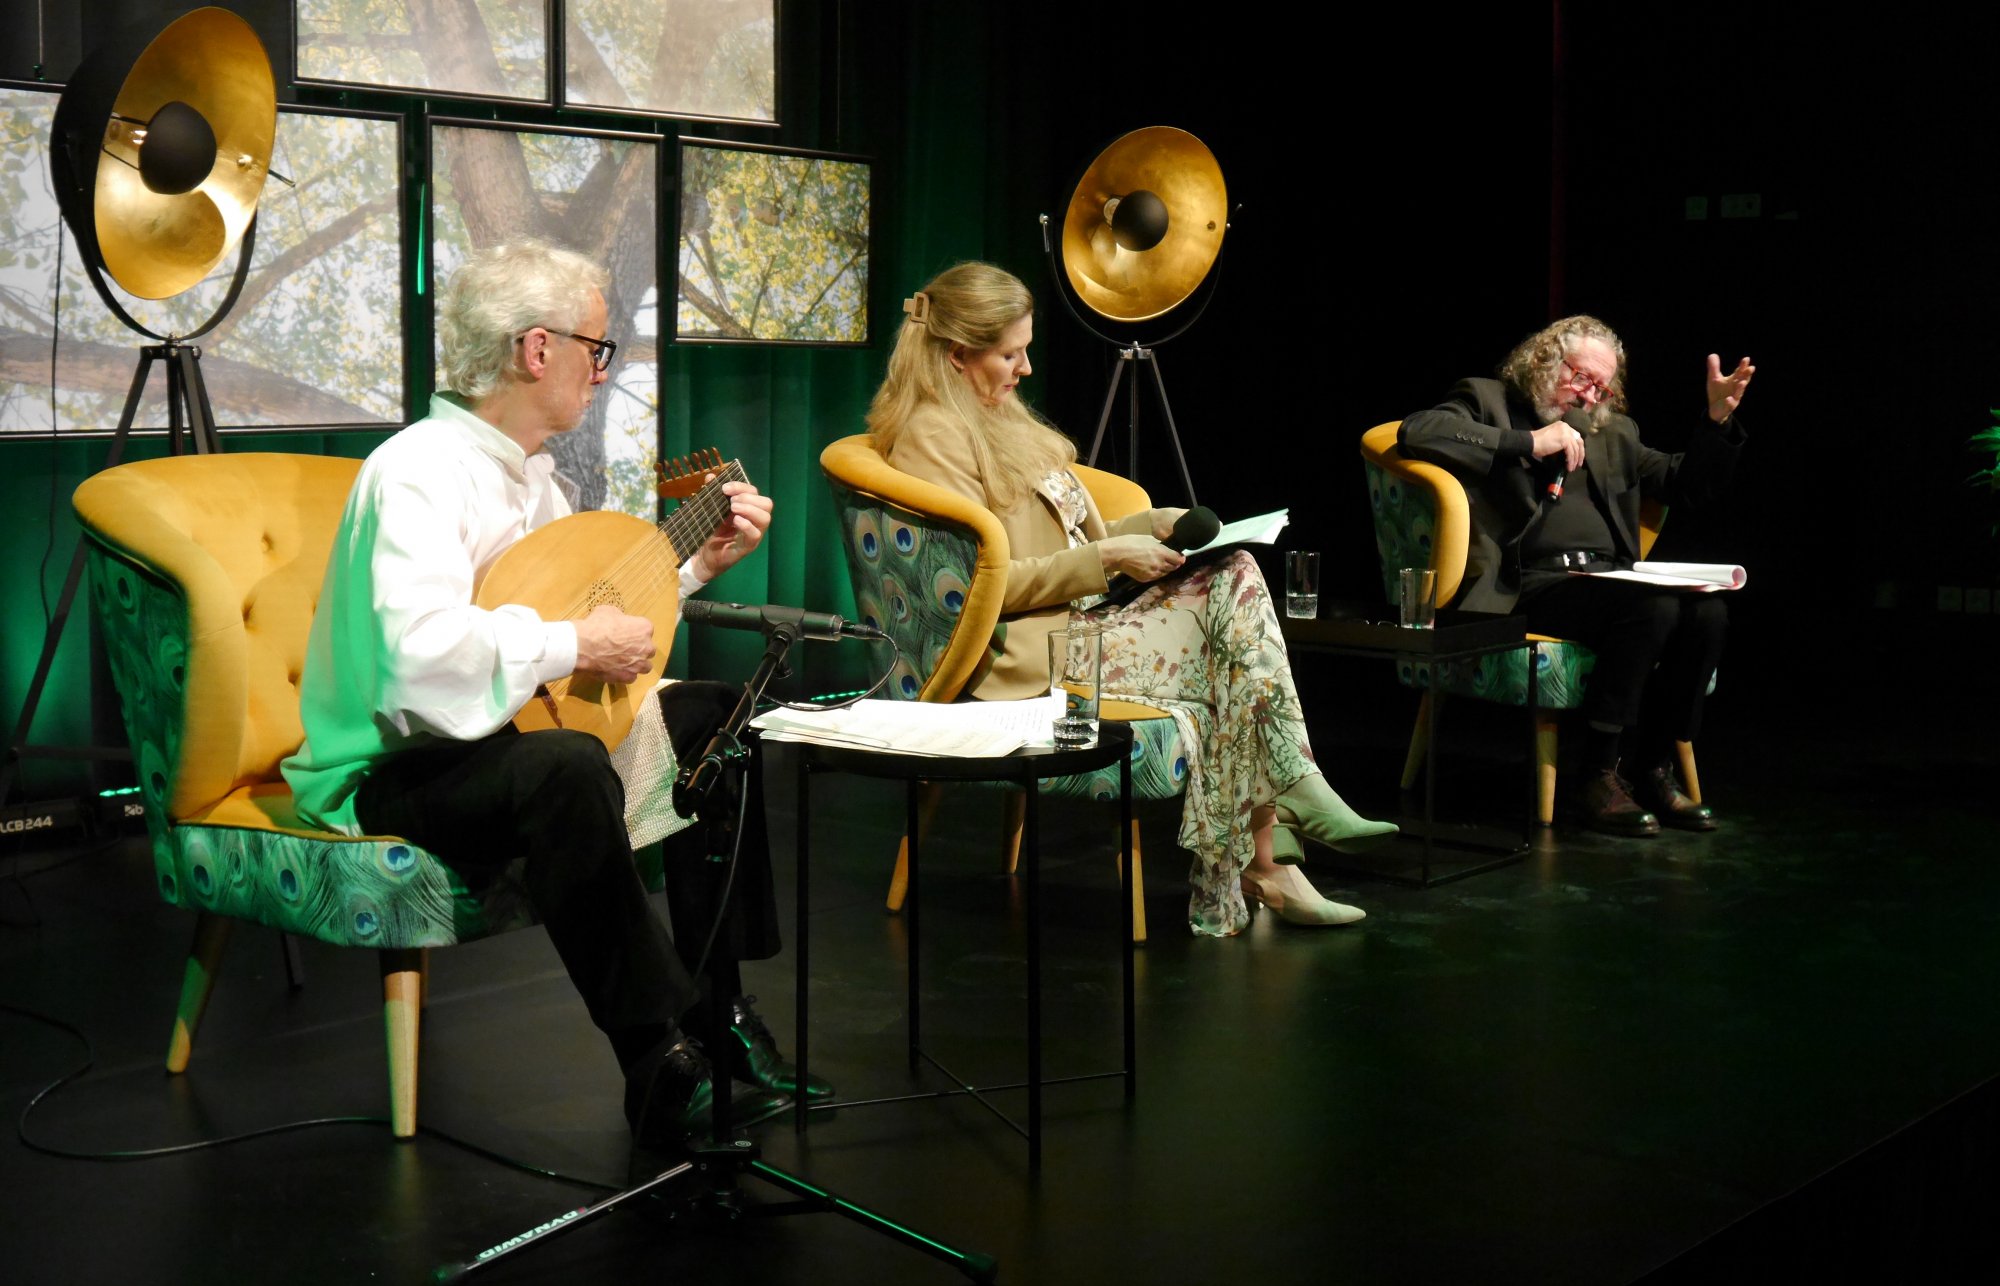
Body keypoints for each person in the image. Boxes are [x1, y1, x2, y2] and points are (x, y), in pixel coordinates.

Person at [280, 239, 825, 1146]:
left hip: (498, 738)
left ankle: (720, 1014)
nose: (602, 372)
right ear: (538, 349)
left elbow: (577, 629)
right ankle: (657, 1061)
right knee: (565, 767)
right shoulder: (417, 471)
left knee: (713, 715)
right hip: (397, 766)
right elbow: (419, 659)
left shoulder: (536, 480)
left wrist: (693, 567)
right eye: (596, 349)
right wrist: (575, 641)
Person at [865, 262, 1396, 938]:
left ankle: (1275, 847)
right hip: (1031, 655)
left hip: (1080, 620)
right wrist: (1109, 559)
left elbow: (1069, 533)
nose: (1026, 368)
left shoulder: (996, 414)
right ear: (957, 355)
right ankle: (1278, 835)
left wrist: (1150, 525)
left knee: (1232, 575)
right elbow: (979, 586)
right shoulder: (933, 437)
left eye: (1026, 349)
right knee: (1231, 638)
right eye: (1010, 354)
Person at [1396, 315, 1754, 835]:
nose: (1590, 395)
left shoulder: (1614, 431)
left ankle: (1652, 768)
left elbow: (1687, 485)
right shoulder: (1488, 400)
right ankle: (1597, 774)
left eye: (1601, 387)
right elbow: (1418, 432)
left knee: (1709, 613)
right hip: (1529, 584)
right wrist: (1528, 443)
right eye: (1582, 377)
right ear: (1545, 360)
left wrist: (1716, 424)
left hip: (1607, 581)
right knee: (1650, 608)